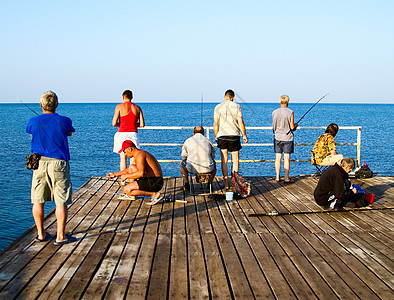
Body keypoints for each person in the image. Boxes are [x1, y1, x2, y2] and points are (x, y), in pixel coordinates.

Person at [26, 91, 77, 245]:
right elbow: (69, 133)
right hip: (59, 163)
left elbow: (31, 135)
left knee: (38, 200)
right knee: (61, 201)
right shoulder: (64, 120)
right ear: (56, 104)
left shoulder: (33, 121)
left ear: (41, 105)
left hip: (39, 163)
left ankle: (41, 234)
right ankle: (60, 236)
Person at [213, 89, 248, 190]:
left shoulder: (218, 107)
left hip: (222, 135)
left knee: (224, 160)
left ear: (225, 97)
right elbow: (240, 122)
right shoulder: (237, 106)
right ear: (233, 98)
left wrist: (216, 135)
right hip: (234, 135)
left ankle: (226, 183)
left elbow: (215, 124)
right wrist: (244, 135)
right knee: (235, 159)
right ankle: (234, 182)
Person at [112, 90, 145, 171]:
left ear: (123, 97)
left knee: (123, 158)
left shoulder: (119, 107)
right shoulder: (138, 108)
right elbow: (142, 124)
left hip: (122, 134)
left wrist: (120, 124)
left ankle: (123, 181)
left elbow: (114, 123)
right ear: (132, 97)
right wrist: (133, 124)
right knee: (133, 158)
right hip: (133, 134)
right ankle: (132, 178)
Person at [180, 126, 217, 190]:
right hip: (208, 168)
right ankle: (210, 183)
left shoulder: (188, 141)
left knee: (181, 164)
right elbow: (213, 156)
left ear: (193, 133)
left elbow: (183, 157)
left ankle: (186, 184)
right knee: (214, 165)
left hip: (192, 168)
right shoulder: (208, 141)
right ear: (203, 133)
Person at [272, 95, 298, 183]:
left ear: (280, 102)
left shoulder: (274, 112)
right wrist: (295, 126)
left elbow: (274, 126)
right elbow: (292, 127)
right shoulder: (290, 112)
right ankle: (286, 178)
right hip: (288, 138)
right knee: (286, 158)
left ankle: (277, 177)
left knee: (278, 157)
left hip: (277, 137)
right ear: (288, 102)